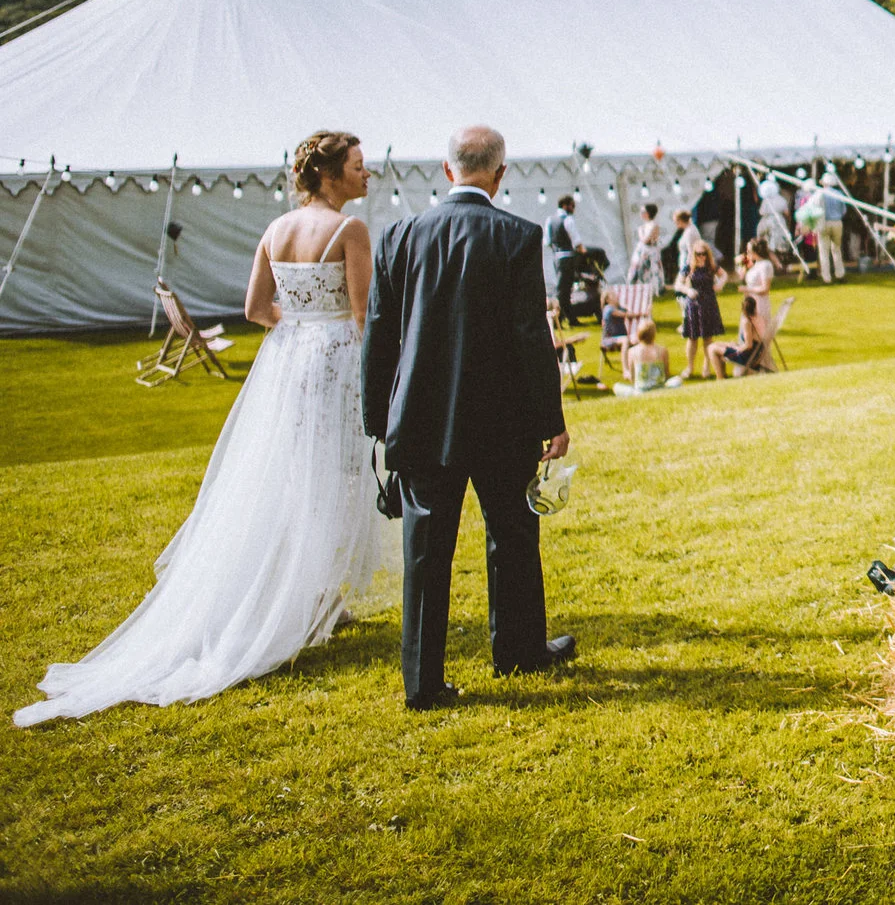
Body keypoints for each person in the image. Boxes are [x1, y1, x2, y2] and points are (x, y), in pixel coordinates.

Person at [15, 131, 400, 727]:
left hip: (288, 361)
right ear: (330, 176)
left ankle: (316, 597)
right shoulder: (349, 232)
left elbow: (253, 309)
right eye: (357, 167)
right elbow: (360, 314)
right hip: (333, 363)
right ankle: (317, 600)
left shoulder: (276, 230)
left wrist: (296, 325)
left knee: (293, 474)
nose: (366, 175)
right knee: (336, 475)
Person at [362, 124, 574, 710]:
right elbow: (534, 338)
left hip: (422, 420)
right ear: (501, 174)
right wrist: (551, 419)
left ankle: (422, 682)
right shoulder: (517, 236)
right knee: (512, 535)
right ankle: (518, 648)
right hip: (502, 421)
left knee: (425, 550)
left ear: (447, 169)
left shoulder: (399, 236)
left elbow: (379, 337)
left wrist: (377, 419)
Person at [677, 241, 727, 376]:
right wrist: (688, 291)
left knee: (708, 337)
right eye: (698, 254)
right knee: (692, 338)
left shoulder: (711, 266)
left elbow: (724, 275)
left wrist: (720, 284)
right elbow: (678, 284)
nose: (701, 257)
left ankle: (707, 367)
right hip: (693, 304)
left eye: (704, 254)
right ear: (694, 254)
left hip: (709, 303)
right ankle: (690, 367)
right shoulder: (688, 267)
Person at [545, 193, 595, 324]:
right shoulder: (568, 220)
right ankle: (566, 317)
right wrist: (585, 253)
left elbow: (547, 241)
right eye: (573, 206)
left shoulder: (550, 220)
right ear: (565, 205)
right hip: (568, 257)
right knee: (565, 289)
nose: (574, 209)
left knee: (563, 288)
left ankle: (564, 316)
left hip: (557, 257)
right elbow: (577, 242)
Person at [738, 237, 778, 365]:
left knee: (758, 335)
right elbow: (743, 276)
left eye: (749, 250)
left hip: (759, 303)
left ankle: (762, 363)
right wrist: (743, 266)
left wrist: (747, 289)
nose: (747, 253)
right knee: (747, 332)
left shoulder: (766, 265)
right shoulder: (755, 264)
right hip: (750, 302)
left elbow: (765, 288)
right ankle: (749, 363)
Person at [621, 320, 669, 392]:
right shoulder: (662, 350)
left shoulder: (632, 351)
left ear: (638, 333)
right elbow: (666, 374)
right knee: (677, 380)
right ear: (654, 334)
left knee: (617, 386)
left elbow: (633, 378)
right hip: (660, 387)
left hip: (641, 389)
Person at [624, 203, 665, 285]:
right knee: (637, 268)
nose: (641, 214)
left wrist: (641, 231)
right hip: (642, 250)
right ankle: (636, 285)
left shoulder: (654, 225)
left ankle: (653, 288)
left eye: (643, 212)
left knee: (650, 270)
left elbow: (646, 240)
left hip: (650, 251)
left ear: (648, 213)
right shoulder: (644, 226)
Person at [661, 208, 694, 288]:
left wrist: (687, 267)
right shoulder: (686, 230)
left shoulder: (690, 232)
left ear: (680, 220)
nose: (675, 223)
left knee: (681, 286)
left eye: (675, 221)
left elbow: (691, 251)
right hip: (683, 261)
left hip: (687, 263)